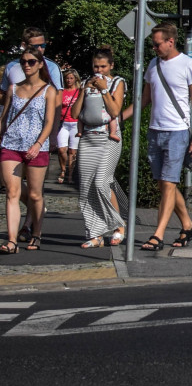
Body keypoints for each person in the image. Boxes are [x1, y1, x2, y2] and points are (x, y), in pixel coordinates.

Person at [138, 23, 192, 252]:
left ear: (170, 41)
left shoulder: (188, 64)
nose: (154, 48)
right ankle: (188, 225)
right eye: (153, 44)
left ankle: (158, 235)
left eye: (157, 44)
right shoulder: (153, 65)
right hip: (154, 130)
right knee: (162, 183)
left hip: (178, 131)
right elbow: (144, 100)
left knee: (168, 183)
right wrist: (118, 117)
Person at [0, 45, 58, 253]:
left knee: (34, 195)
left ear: (40, 64)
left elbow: (49, 122)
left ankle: (36, 233)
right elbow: (5, 118)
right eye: (23, 62)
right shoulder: (13, 88)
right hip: (11, 144)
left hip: (36, 147)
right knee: (11, 193)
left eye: (31, 62)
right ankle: (12, 240)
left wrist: (38, 144)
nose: (26, 65)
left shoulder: (48, 90)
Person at [70, 46, 127, 248]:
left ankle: (118, 224)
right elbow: (75, 114)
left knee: (101, 183)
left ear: (110, 66)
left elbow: (114, 110)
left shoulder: (117, 82)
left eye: (103, 66)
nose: (99, 70)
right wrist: (84, 91)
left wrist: (103, 88)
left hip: (108, 138)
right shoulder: (86, 82)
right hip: (88, 137)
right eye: (96, 66)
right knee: (85, 187)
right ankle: (95, 234)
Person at [0, 27, 63, 94]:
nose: (40, 49)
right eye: (35, 46)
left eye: (42, 45)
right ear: (24, 45)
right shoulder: (11, 66)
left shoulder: (52, 67)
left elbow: (58, 96)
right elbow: (3, 93)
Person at [56, 69, 81, 185]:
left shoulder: (79, 92)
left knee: (72, 151)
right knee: (61, 149)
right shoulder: (62, 92)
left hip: (75, 123)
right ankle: (63, 170)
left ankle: (70, 175)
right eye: (67, 78)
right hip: (63, 123)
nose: (69, 80)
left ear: (75, 78)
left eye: (71, 78)